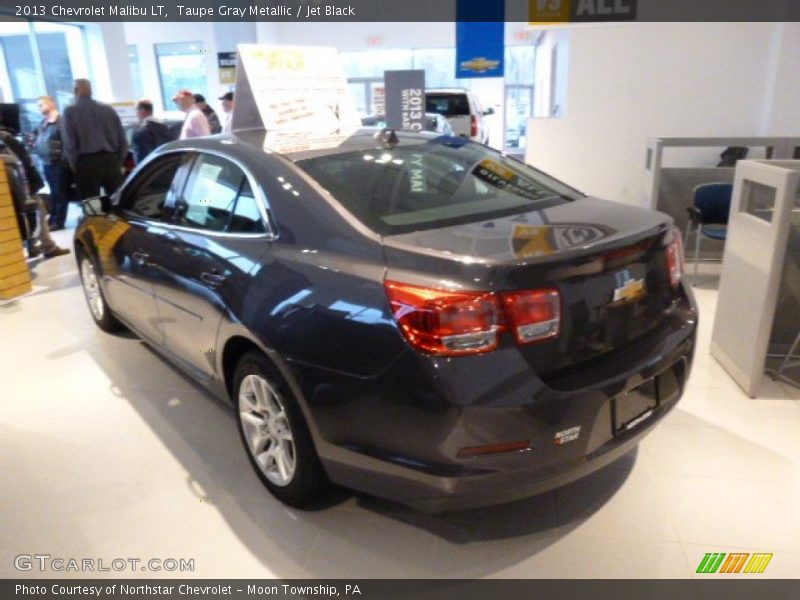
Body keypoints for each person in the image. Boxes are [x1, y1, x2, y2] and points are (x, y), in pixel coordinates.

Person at [0, 126, 69, 259]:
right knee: (37, 210)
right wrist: (33, 182)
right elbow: (22, 162)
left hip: (13, 188)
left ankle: (34, 246)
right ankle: (47, 247)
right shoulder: (5, 137)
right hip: (19, 186)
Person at [62, 79, 127, 199]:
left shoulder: (70, 111)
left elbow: (70, 143)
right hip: (111, 160)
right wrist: (118, 160)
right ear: (91, 91)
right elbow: (122, 138)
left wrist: (74, 165)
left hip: (87, 162)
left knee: (91, 204)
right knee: (117, 201)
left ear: (75, 91)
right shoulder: (108, 109)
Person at [33, 96, 70, 230]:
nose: (39, 107)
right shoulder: (42, 123)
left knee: (60, 193)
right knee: (53, 193)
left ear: (51, 103)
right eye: (38, 105)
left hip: (58, 162)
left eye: (41, 104)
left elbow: (66, 142)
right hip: (46, 162)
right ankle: (53, 219)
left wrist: (64, 160)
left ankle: (58, 222)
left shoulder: (60, 121)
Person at [131, 99, 173, 164]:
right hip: (164, 164)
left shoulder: (142, 129)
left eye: (136, 110)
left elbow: (142, 153)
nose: (136, 113)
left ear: (142, 110)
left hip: (148, 168)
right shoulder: (163, 127)